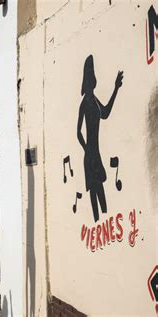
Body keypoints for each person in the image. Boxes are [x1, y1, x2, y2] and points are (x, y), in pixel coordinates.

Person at [77, 54, 123, 222]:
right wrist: (86, 148)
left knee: (101, 195)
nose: (91, 82)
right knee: (95, 198)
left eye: (92, 78)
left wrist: (116, 88)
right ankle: (98, 221)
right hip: (90, 155)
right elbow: (78, 132)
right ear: (86, 82)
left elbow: (105, 113)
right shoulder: (84, 104)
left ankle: (102, 223)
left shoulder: (94, 101)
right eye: (88, 79)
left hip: (95, 153)